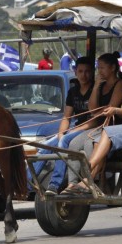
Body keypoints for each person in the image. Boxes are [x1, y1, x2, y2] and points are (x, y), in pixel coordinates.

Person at [65, 51, 122, 193]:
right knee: (96, 140)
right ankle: (90, 180)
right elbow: (95, 109)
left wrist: (115, 110)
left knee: (107, 132)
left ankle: (89, 171)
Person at [28, 57, 95, 195]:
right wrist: (60, 133)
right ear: (76, 72)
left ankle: (54, 184)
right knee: (46, 146)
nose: (84, 75)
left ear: (92, 72)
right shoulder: (73, 92)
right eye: (81, 71)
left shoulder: (95, 90)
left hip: (89, 129)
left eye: (87, 71)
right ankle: (27, 184)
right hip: (75, 128)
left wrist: (68, 134)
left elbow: (96, 119)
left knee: (64, 141)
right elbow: (66, 117)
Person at [63, 52, 122, 193]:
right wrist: (97, 86)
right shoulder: (100, 85)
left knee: (89, 143)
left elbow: (111, 108)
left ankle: (90, 180)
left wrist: (97, 113)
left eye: (102, 68)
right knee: (73, 144)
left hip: (111, 126)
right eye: (98, 68)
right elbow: (92, 108)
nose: (99, 71)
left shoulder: (120, 84)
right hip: (98, 125)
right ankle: (72, 183)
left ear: (112, 68)